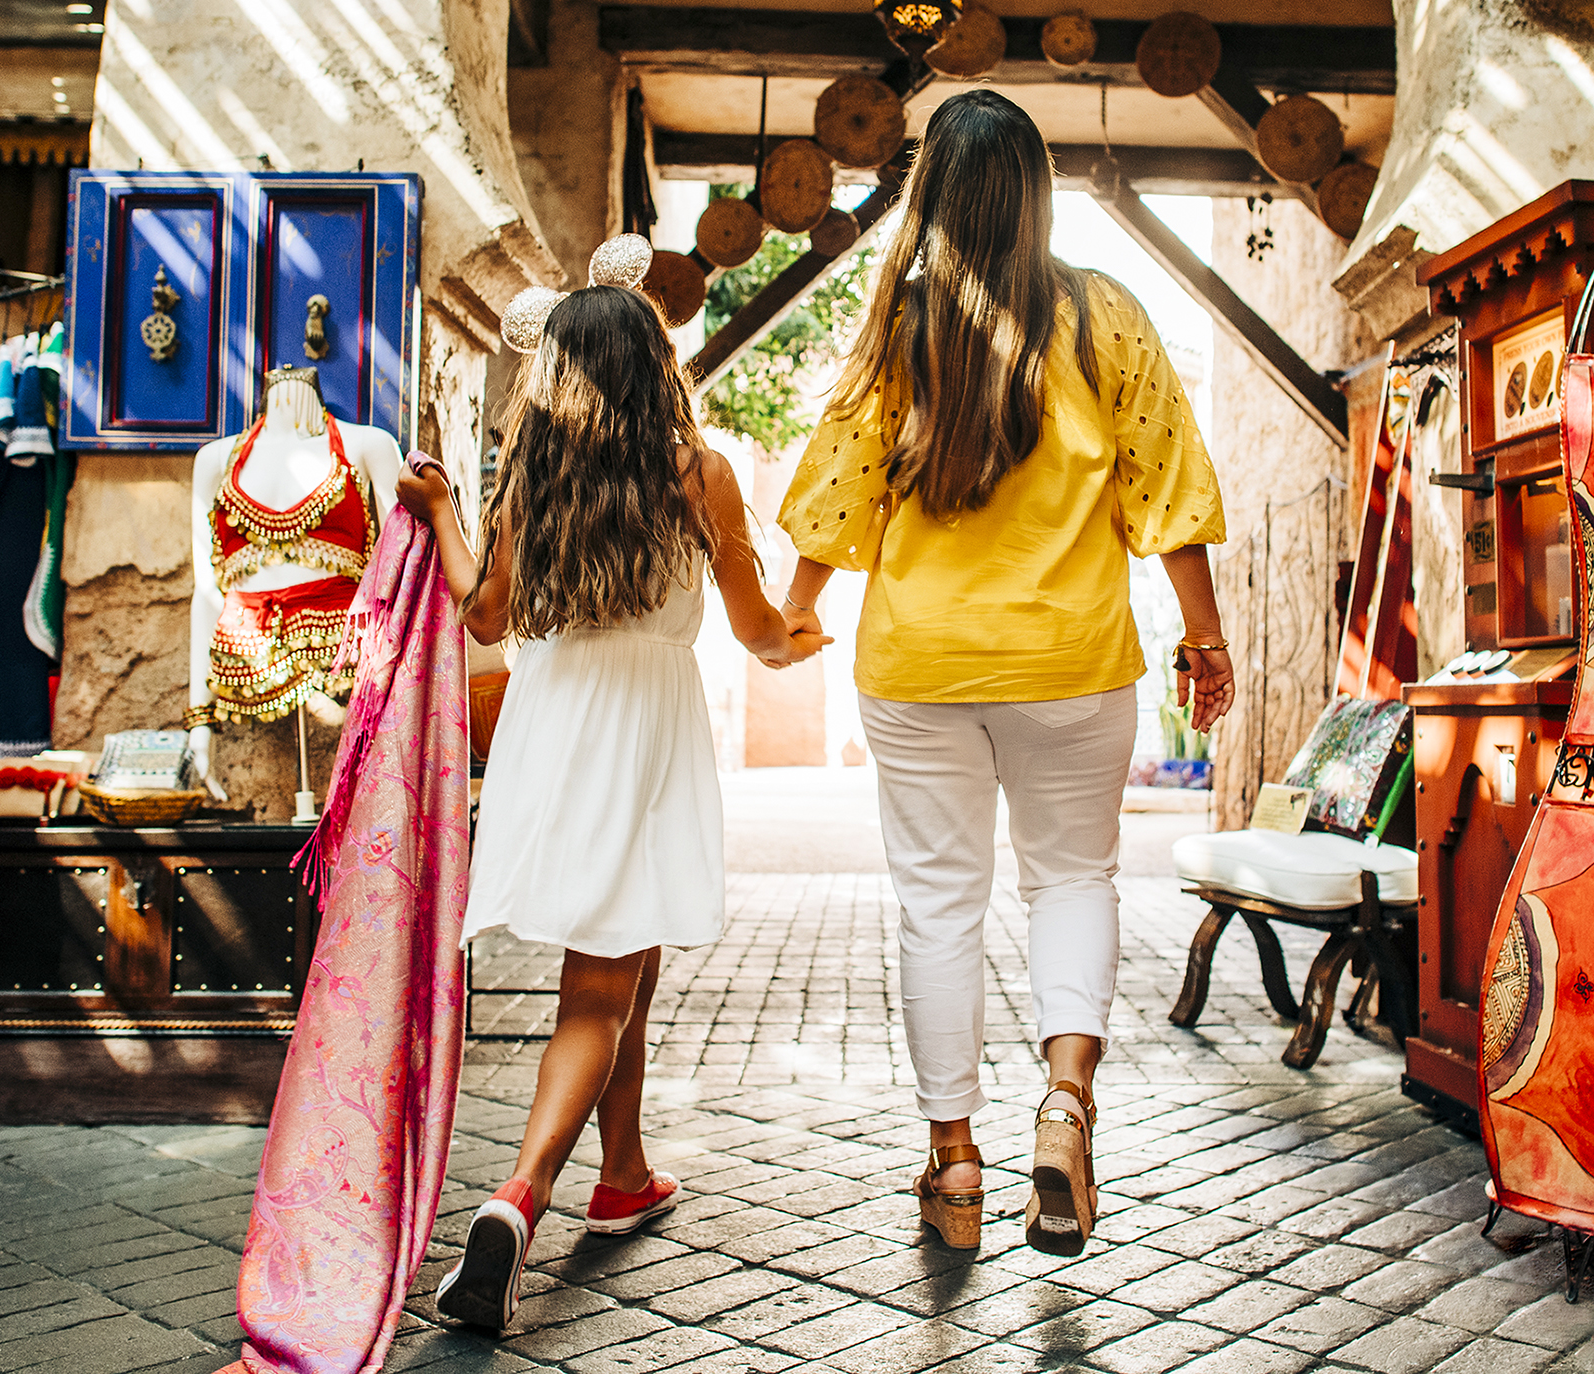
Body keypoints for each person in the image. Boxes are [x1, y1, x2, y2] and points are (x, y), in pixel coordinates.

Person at [778, 89, 1234, 1255]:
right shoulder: (1106, 317)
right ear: (1037, 193)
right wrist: (1204, 635)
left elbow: (839, 484)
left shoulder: (895, 326)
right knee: (1072, 883)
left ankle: (954, 1163)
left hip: (919, 666)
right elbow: (1166, 487)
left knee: (937, 907)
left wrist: (793, 613)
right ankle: (1066, 1107)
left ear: (931, 192)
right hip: (1072, 662)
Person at [395, 238, 826, 1334]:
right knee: (598, 985)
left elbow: (483, 617)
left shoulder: (534, 470)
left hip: (552, 721)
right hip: (643, 723)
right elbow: (754, 630)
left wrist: (444, 510)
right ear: (654, 361)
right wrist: (800, 641)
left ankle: (623, 1169)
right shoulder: (698, 469)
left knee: (615, 954)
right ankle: (515, 1200)